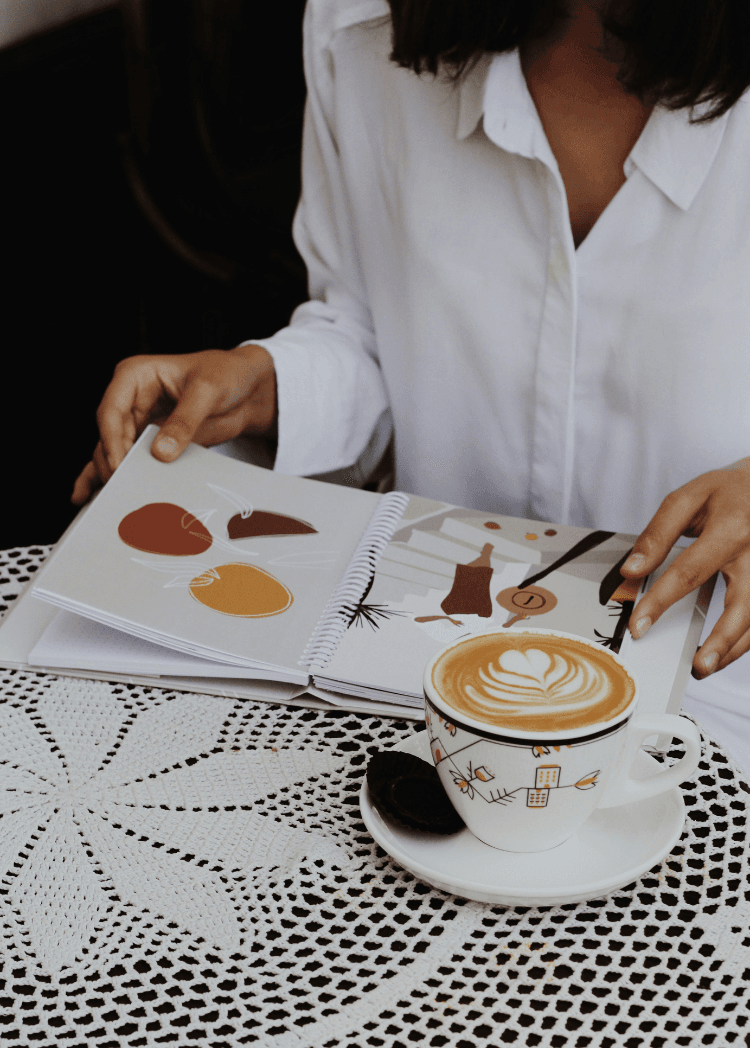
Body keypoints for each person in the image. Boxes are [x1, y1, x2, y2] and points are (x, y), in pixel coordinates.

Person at [73, 0, 750, 752]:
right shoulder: (358, 28)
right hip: (415, 688)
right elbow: (368, 328)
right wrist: (265, 384)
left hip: (708, 715)